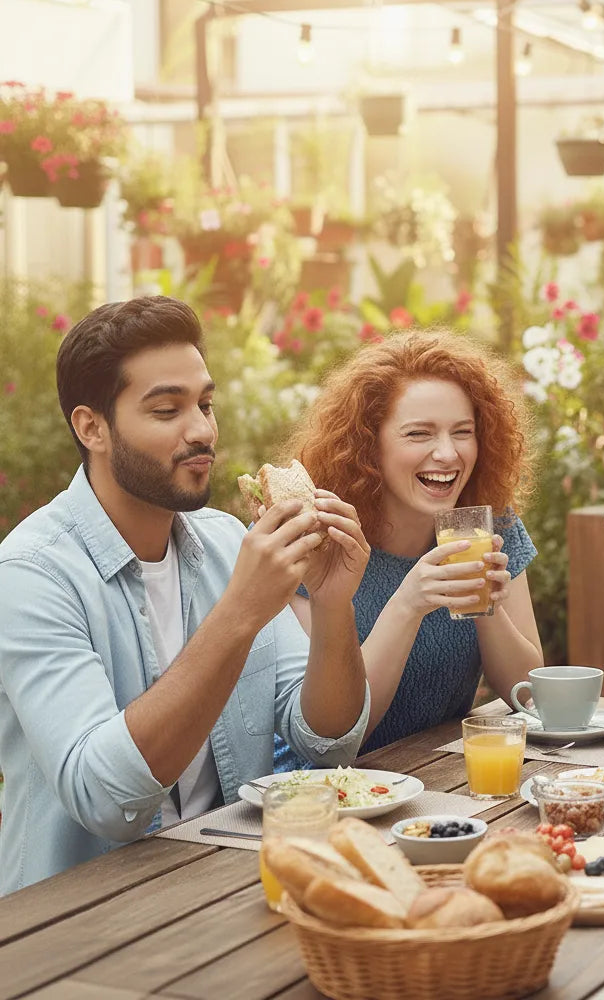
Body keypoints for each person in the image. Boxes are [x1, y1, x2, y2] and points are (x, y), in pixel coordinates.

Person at [0, 296, 370, 895]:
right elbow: (102, 797)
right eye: (167, 409)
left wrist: (332, 605)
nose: (201, 430)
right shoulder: (31, 574)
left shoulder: (226, 543)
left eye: (205, 404)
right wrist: (239, 614)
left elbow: (325, 739)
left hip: (223, 890)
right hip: (72, 929)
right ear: (91, 427)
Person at [275, 328, 542, 764]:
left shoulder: (491, 522)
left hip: (434, 778)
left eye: (463, 432)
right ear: (368, 446)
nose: (447, 454)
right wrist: (409, 602)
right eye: (418, 434)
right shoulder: (322, 543)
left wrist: (485, 603)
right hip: (323, 791)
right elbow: (338, 739)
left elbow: (529, 696)